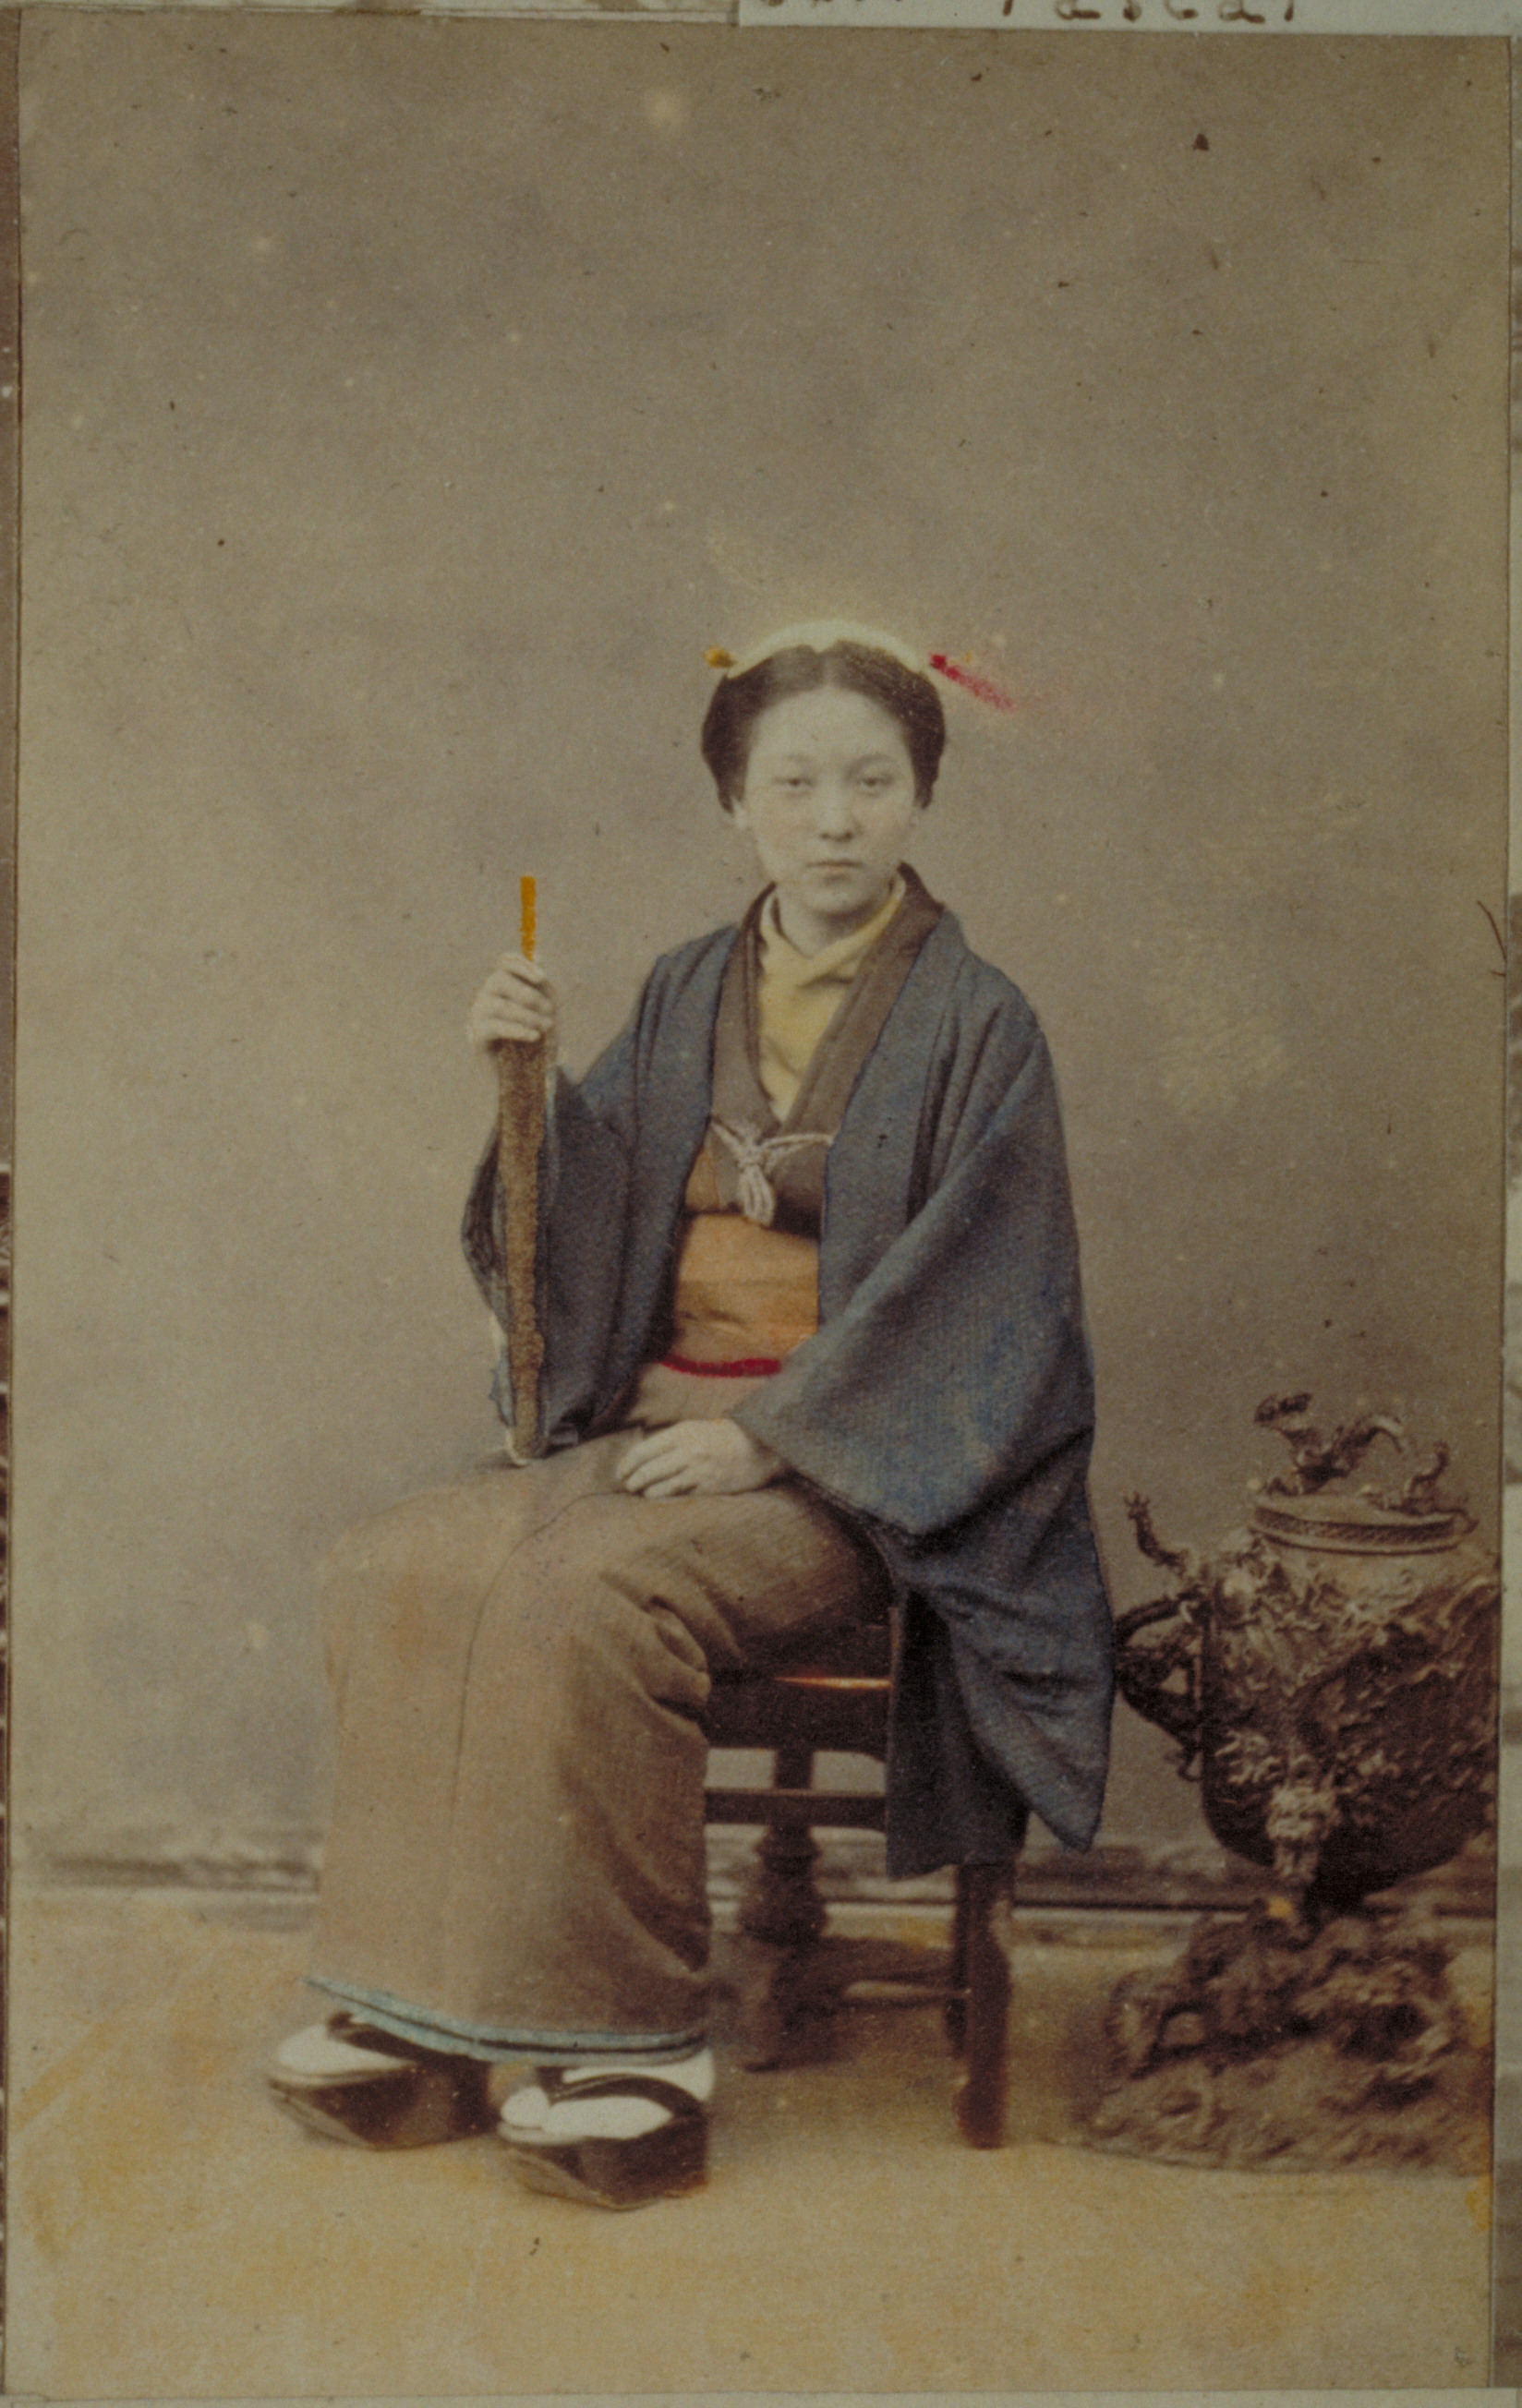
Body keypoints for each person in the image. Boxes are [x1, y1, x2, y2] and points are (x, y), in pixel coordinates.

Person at [268, 623, 1114, 2209]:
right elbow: (577, 1234)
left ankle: (629, 2057)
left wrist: (776, 1437)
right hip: (652, 1436)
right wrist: (518, 1088)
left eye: (872, 780)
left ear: (922, 792)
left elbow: (991, 1304)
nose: (835, 817)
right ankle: (418, 2013)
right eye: (793, 783)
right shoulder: (679, 991)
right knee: (393, 1567)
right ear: (738, 803)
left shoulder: (981, 1026)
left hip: (853, 1483)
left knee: (591, 1608)